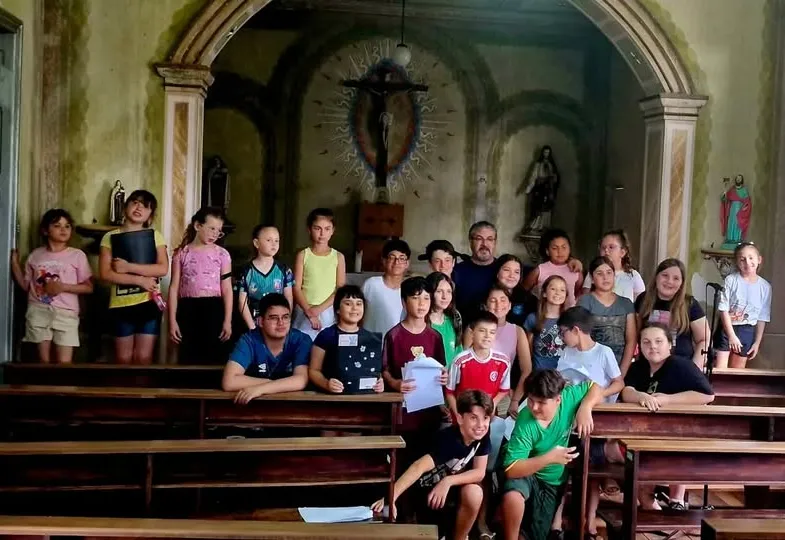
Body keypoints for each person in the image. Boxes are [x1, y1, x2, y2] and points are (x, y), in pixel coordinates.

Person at [371, 390, 492, 540]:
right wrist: (392, 497)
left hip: (445, 490)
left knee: (474, 492)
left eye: (485, 418)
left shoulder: (482, 435)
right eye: (474, 418)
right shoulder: (448, 440)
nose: (481, 425)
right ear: (460, 418)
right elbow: (418, 467)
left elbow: (479, 472)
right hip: (420, 492)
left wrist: (447, 481)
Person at [500, 369, 603, 540]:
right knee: (513, 493)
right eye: (531, 400)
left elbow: (595, 387)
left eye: (541, 402)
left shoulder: (568, 398)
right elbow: (512, 468)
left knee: (536, 535)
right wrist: (549, 457)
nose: (534, 407)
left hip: (552, 483)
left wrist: (585, 407)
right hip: (527, 474)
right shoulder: (526, 421)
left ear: (558, 400)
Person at [620, 322, 714, 510]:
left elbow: (707, 395)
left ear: (669, 344)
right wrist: (641, 396)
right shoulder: (639, 367)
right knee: (626, 452)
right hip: (644, 431)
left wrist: (668, 400)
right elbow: (626, 390)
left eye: (658, 341)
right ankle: (647, 500)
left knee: (676, 451)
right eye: (646, 342)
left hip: (677, 432)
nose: (652, 346)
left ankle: (676, 500)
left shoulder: (681, 365)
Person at [556, 307, 624, 538]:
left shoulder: (603, 352)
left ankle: (589, 517)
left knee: (593, 463)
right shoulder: (567, 352)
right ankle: (558, 518)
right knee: (565, 463)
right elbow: (560, 380)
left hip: (597, 417)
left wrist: (598, 396)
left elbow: (618, 383)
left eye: (563, 332)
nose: (562, 337)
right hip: (569, 416)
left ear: (576, 330)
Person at [10, 209, 93, 364]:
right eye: (57, 225)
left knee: (64, 363)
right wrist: (15, 264)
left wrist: (63, 287)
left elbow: (88, 287)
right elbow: (26, 286)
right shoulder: (35, 255)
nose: (63, 229)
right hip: (39, 311)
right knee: (43, 362)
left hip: (66, 313)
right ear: (45, 230)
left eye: (67, 226)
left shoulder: (77, 255)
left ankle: (63, 389)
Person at [99, 190, 169, 365]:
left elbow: (162, 268)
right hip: (121, 305)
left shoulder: (155, 235)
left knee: (144, 358)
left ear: (150, 215)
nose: (139, 208)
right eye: (135, 202)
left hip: (148, 303)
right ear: (125, 207)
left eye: (146, 206)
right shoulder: (109, 237)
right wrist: (139, 280)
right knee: (123, 359)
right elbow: (105, 273)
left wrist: (128, 267)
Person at [382, 276, 447, 463]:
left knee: (425, 458)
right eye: (415, 298)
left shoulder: (435, 336)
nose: (421, 304)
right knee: (401, 458)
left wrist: (444, 377)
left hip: (429, 411)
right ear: (404, 302)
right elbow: (384, 369)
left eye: (426, 298)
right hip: (403, 412)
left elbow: (442, 368)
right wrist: (395, 383)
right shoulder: (394, 335)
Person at [168, 207, 233, 364]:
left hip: (213, 308)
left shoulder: (222, 254)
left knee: (213, 354)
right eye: (211, 229)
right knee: (188, 355)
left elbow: (227, 288)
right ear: (197, 226)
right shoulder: (182, 253)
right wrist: (172, 320)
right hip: (188, 308)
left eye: (219, 231)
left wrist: (227, 320)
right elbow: (174, 288)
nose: (215, 234)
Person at [222, 293, 312, 401]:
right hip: (255, 405)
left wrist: (261, 389)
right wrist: (272, 384)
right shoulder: (249, 340)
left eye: (285, 317)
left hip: (292, 405)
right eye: (274, 318)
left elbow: (301, 380)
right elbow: (229, 381)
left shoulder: (301, 340)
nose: (281, 323)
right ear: (260, 321)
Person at [309, 284, 384, 394]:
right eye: (348, 303)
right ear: (338, 309)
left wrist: (380, 382)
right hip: (332, 399)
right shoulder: (326, 335)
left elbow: (373, 369)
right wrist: (326, 384)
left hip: (364, 401)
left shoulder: (370, 338)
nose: (354, 308)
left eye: (359, 304)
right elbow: (313, 370)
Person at [635, 258, 708, 368]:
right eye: (665, 275)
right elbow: (635, 334)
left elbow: (704, 339)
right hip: (647, 366)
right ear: (656, 277)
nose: (669, 281)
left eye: (676, 278)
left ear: (682, 283)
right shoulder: (643, 299)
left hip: (680, 367)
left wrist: (694, 369)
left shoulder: (690, 304)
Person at [714, 242, 772, 368]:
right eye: (742, 259)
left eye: (751, 258)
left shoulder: (765, 287)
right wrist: (731, 336)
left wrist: (757, 342)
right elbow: (723, 309)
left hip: (747, 330)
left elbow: (762, 316)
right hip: (727, 327)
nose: (747, 262)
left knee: (737, 373)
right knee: (720, 371)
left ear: (759, 260)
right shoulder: (731, 280)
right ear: (737, 262)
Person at [293, 208, 346, 339]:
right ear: (309, 229)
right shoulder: (303, 255)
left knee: (325, 348)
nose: (322, 233)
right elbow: (296, 287)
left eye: (327, 229)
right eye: (317, 228)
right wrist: (309, 311)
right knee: (302, 348)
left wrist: (319, 309)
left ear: (333, 231)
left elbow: (340, 289)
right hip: (305, 309)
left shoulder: (338, 257)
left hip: (328, 311)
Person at [469, 286, 532, 396]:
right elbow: (466, 365)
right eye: (493, 300)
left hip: (503, 393)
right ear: (485, 305)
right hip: (475, 392)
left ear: (509, 305)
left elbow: (526, 370)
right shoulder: (473, 329)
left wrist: (516, 399)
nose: (498, 305)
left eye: (503, 300)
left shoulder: (517, 331)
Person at [577, 256, 636, 375]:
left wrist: (621, 374)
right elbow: (580, 338)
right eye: (599, 273)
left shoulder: (626, 304)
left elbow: (631, 340)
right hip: (592, 367)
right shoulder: (585, 301)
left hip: (620, 365)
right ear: (592, 279)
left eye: (609, 273)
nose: (605, 277)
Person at [236, 224, 294, 330]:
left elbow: (288, 297)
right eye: (269, 240)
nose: (274, 244)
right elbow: (242, 302)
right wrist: (252, 328)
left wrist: (286, 321)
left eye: (277, 240)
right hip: (253, 323)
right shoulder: (246, 271)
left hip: (278, 324)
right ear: (256, 243)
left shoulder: (284, 270)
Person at [522, 229, 582, 308]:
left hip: (569, 315)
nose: (560, 251)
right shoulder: (540, 270)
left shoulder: (575, 269)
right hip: (545, 315)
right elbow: (523, 290)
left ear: (569, 249)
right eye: (554, 248)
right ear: (547, 251)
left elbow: (578, 291)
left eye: (564, 247)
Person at [452, 221, 499, 324]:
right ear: (470, 241)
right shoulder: (456, 271)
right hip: (464, 332)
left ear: (495, 242)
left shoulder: (504, 270)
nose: (484, 244)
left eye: (490, 239)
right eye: (479, 239)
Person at [361, 239, 409, 336]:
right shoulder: (371, 284)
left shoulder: (410, 289)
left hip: (397, 344)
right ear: (384, 260)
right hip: (371, 343)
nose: (397, 262)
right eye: (392, 257)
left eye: (402, 258)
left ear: (407, 263)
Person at [522, 275, 568, 375]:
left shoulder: (569, 319)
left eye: (562, 290)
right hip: (539, 374)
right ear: (544, 293)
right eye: (553, 289)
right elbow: (527, 350)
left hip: (563, 374)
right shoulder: (533, 318)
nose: (558, 293)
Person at [582, 229, 645, 302]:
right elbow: (585, 300)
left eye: (611, 247)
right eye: (603, 248)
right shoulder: (593, 273)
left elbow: (641, 304)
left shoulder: (633, 275)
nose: (606, 250)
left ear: (622, 252)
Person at [426, 272, 462, 366]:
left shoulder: (453, 320)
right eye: (439, 291)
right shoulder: (421, 323)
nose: (445, 297)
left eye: (449, 292)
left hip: (450, 378)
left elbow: (458, 355)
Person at [495, 253, 537, 328]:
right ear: (497, 273)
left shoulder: (527, 298)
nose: (512, 275)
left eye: (516, 272)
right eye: (507, 270)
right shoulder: (487, 296)